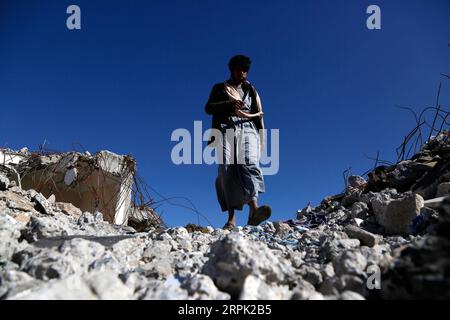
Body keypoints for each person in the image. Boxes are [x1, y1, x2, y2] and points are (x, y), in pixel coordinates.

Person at [205, 54, 271, 230]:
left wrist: (261, 137)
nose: (241, 73)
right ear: (231, 69)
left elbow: (258, 115)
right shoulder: (220, 88)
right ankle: (231, 219)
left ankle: (254, 209)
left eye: (244, 70)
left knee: (249, 163)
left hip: (248, 128)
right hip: (226, 127)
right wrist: (229, 104)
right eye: (238, 69)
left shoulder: (252, 91)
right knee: (227, 169)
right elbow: (208, 108)